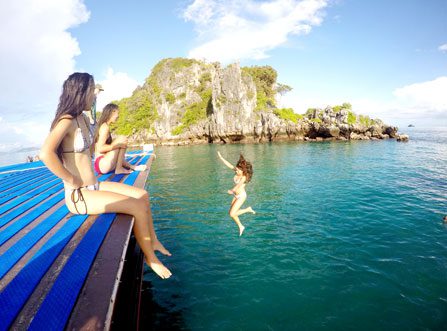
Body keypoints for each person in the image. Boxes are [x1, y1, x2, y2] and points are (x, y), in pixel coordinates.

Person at [39, 72, 172, 279]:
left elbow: (92, 142)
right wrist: (70, 179)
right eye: (92, 90)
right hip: (79, 196)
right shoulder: (66, 120)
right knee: (135, 206)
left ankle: (153, 240)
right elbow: (45, 153)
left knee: (142, 196)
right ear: (80, 91)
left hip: (95, 185)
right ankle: (150, 258)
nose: (94, 95)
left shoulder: (82, 118)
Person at [94, 103, 146, 175]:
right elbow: (100, 148)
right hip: (102, 164)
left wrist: (133, 167)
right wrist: (117, 145)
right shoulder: (104, 127)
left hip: (103, 165)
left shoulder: (105, 126)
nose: (118, 116)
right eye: (117, 113)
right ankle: (119, 169)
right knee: (122, 139)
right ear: (112, 112)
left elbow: (119, 158)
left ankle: (120, 168)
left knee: (121, 142)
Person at [217, 151, 255, 236]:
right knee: (231, 212)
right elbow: (229, 165)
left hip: (241, 196)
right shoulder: (237, 171)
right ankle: (241, 226)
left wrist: (232, 191)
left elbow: (238, 186)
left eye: (238, 170)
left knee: (232, 213)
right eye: (237, 169)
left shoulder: (243, 177)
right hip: (236, 195)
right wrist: (221, 158)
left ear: (243, 171)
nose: (236, 170)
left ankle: (247, 209)